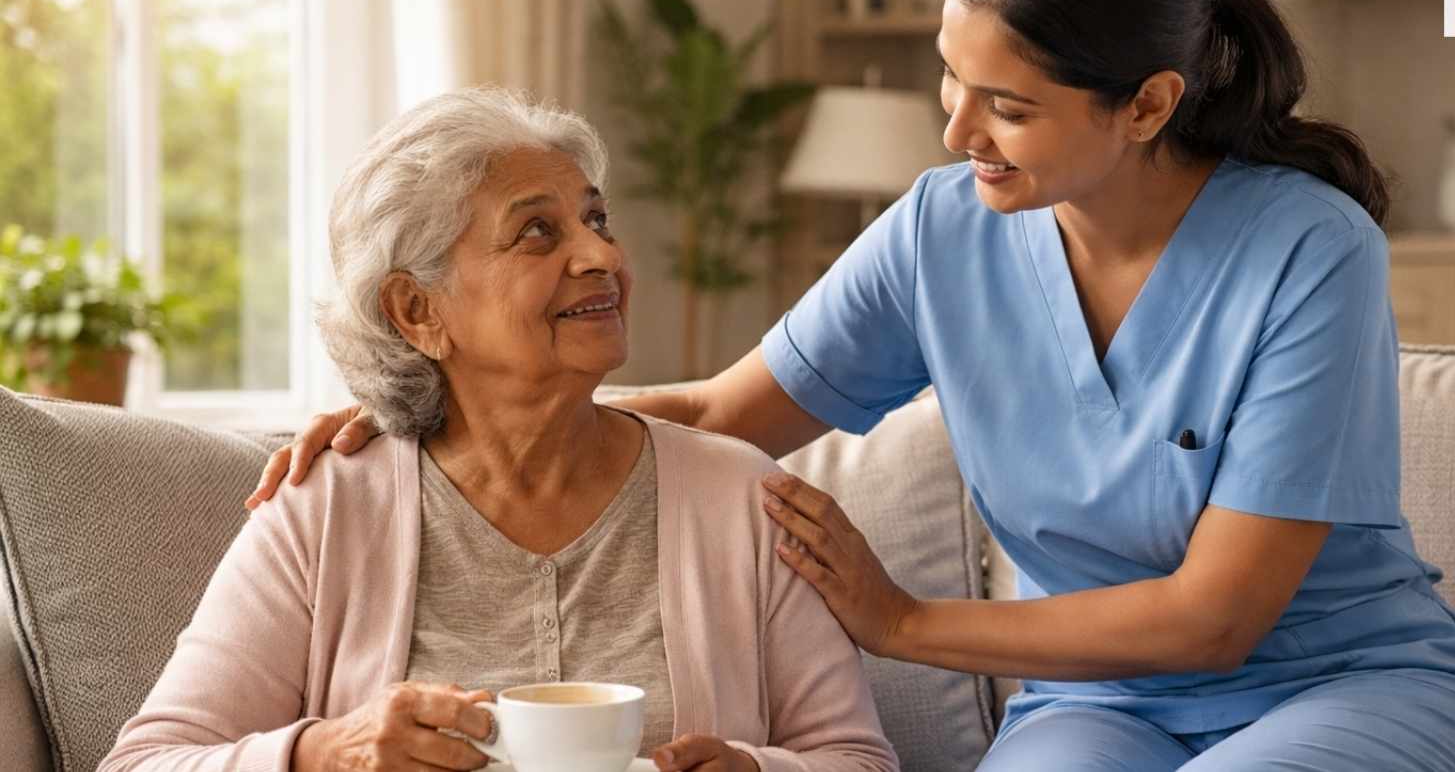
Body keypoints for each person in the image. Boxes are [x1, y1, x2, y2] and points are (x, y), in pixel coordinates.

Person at [254, 0, 1455, 771]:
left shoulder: (1307, 250)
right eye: (947, 79)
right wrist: (429, 413)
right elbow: (712, 415)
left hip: (1343, 688)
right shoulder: (940, 228)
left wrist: (900, 621)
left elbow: (1214, 618)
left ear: (1145, 105)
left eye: (1006, 108)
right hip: (1099, 709)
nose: (957, 133)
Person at [103, 89, 897, 772]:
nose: (601, 256)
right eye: (538, 232)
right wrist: (325, 753)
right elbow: (145, 760)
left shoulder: (738, 498)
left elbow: (858, 757)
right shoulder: (327, 508)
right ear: (418, 312)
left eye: (597, 219)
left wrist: (757, 768)